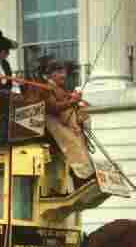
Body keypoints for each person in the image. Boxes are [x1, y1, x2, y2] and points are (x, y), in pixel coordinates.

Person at [38, 60, 94, 189]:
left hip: (66, 122)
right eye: (59, 72)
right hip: (52, 122)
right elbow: (52, 108)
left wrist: (76, 102)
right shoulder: (46, 88)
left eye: (64, 72)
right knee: (72, 143)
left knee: (79, 140)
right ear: (51, 74)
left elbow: (68, 105)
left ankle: (85, 174)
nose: (64, 75)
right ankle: (82, 176)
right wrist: (72, 101)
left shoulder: (62, 89)